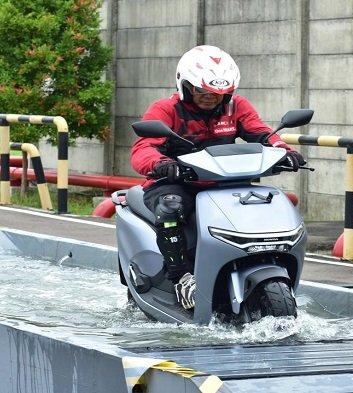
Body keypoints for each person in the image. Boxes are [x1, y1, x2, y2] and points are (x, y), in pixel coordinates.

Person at [130, 45, 305, 310]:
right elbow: (143, 148)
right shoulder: (166, 110)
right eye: (203, 92)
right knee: (170, 206)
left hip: (226, 184)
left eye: (220, 93)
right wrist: (161, 163)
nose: (211, 98)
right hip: (177, 183)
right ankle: (181, 278)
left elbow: (262, 133)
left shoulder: (236, 107)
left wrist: (285, 151)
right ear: (185, 85)